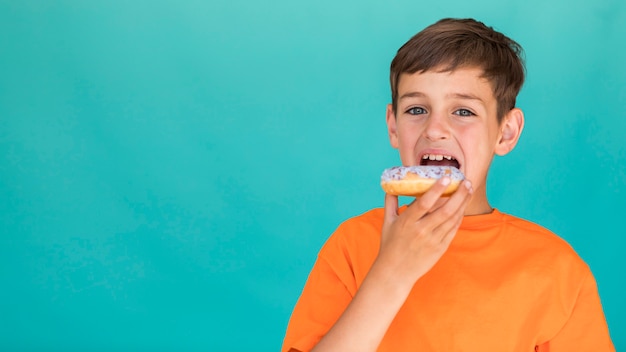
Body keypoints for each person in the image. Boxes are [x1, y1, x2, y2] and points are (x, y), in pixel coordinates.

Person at [281, 18, 615, 351]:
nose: (434, 129)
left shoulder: (557, 269)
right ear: (393, 126)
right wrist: (391, 272)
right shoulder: (351, 247)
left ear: (506, 132)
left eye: (464, 112)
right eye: (416, 109)